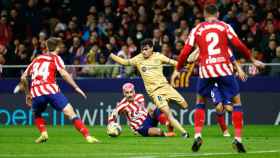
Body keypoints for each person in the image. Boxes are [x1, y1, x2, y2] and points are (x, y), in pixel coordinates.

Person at [174, 5, 264, 153]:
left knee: (200, 102)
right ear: (218, 13)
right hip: (224, 68)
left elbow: (184, 52)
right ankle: (238, 138)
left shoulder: (197, 29)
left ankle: (197, 135)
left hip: (206, 70)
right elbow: (238, 44)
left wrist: (178, 69)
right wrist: (252, 59)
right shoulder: (224, 26)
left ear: (204, 14)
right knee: (237, 103)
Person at [19, 37, 99, 143]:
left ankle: (43, 133)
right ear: (57, 47)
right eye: (60, 45)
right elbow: (64, 74)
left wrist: (28, 94)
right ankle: (87, 136)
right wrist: (76, 87)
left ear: (47, 47)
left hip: (36, 92)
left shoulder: (36, 59)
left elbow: (23, 78)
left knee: (36, 113)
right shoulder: (56, 58)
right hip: (51, 90)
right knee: (71, 113)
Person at [109, 39, 190, 138]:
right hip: (156, 92)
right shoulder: (138, 59)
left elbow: (172, 62)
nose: (144, 52)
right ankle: (184, 133)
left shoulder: (158, 56)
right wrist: (111, 54)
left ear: (151, 48)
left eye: (146, 49)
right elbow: (124, 62)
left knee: (185, 106)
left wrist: (182, 65)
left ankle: (168, 106)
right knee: (168, 113)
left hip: (166, 87)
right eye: (142, 50)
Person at [108, 82, 175, 137]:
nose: (129, 95)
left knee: (158, 107)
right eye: (127, 93)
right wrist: (111, 126)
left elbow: (142, 109)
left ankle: (168, 126)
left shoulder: (140, 96)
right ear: (124, 93)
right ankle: (166, 134)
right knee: (158, 132)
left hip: (148, 119)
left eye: (131, 92)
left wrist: (150, 110)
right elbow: (112, 115)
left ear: (134, 91)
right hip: (140, 126)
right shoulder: (122, 105)